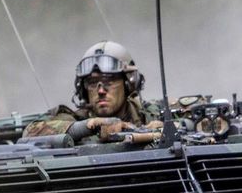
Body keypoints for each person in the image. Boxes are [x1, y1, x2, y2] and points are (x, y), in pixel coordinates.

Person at [22, 41, 166, 142]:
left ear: (129, 83)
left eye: (109, 81)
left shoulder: (151, 113)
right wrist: (89, 126)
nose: (101, 90)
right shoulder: (77, 120)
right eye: (92, 83)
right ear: (83, 89)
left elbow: (187, 114)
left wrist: (168, 127)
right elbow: (30, 132)